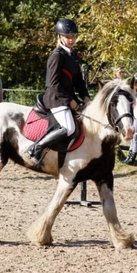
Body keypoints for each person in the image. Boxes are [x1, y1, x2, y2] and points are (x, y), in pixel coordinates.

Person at [27, 18, 90, 165]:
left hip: (67, 97)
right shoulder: (57, 56)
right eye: (68, 37)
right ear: (60, 37)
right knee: (68, 128)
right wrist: (71, 102)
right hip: (56, 99)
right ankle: (36, 147)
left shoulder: (73, 56)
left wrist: (86, 97)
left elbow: (78, 81)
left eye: (73, 36)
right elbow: (53, 84)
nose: (71, 39)